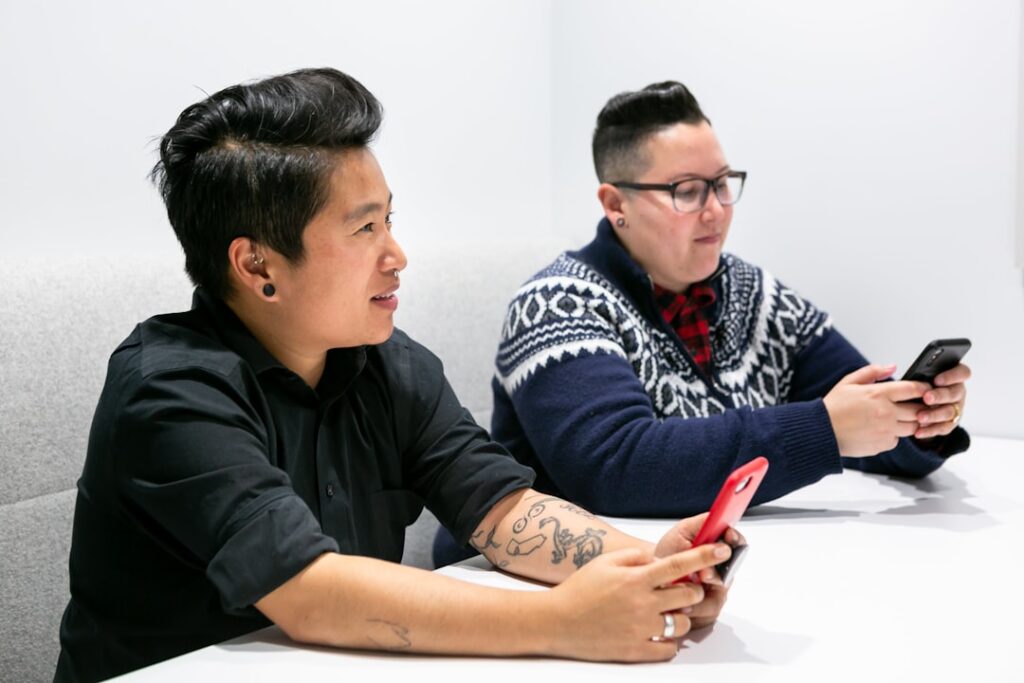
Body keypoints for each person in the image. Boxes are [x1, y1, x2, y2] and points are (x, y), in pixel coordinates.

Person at [53, 69, 745, 682]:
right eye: (364, 230)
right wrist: (562, 622)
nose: (397, 254)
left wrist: (650, 567)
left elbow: (502, 508)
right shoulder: (168, 389)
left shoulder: (385, 360)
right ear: (257, 265)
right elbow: (307, 590)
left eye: (389, 219)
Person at [433, 79, 971, 565]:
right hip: (535, 585)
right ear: (616, 203)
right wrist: (825, 429)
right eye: (686, 191)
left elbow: (858, 416)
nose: (715, 210)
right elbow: (617, 468)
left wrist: (918, 419)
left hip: (695, 568)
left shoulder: (751, 291)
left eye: (722, 184)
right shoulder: (557, 303)